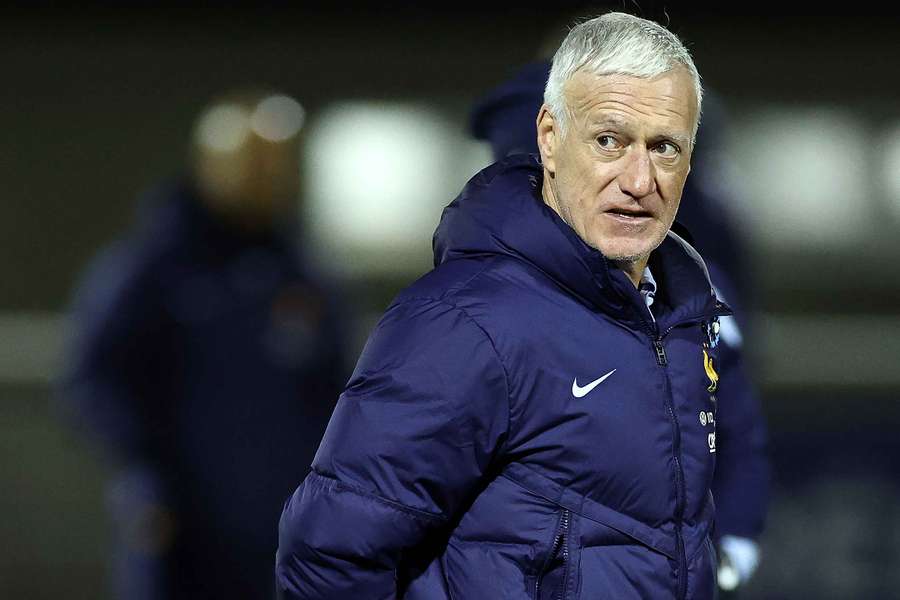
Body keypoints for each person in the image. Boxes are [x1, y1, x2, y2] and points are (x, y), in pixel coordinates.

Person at [278, 13, 729, 599]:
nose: (639, 180)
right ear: (549, 137)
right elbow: (328, 553)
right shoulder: (463, 322)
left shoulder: (681, 318)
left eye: (664, 147)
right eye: (609, 141)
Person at [469, 45, 770, 595]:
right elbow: (377, 502)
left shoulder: (688, 287)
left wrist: (734, 536)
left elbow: (731, 424)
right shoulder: (470, 304)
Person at [59, 90, 347, 600]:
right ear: (210, 163)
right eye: (249, 161)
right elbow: (95, 377)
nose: (263, 176)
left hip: (280, 531)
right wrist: (145, 474)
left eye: (275, 162)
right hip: (183, 530)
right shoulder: (153, 269)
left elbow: (337, 392)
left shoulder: (304, 278)